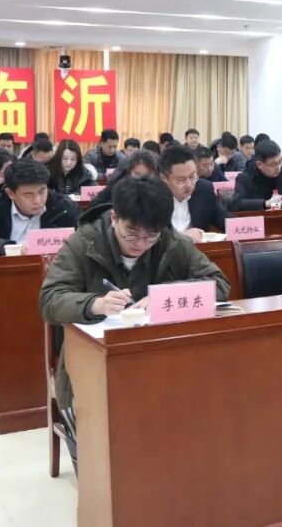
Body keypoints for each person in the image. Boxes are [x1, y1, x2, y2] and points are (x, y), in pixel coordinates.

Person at [39, 175, 231, 469]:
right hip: (93, 361)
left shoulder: (171, 241)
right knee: (102, 450)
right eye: (131, 234)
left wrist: (164, 296)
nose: (141, 244)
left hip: (161, 357)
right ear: (114, 217)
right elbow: (50, 300)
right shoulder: (84, 242)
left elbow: (219, 284)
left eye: (150, 236)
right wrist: (94, 304)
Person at [0, 159, 81, 256]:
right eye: (28, 195)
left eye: (42, 191)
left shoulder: (63, 207)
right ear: (11, 193)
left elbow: (85, 236)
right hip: (7, 272)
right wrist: (7, 247)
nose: (38, 201)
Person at [158, 145, 227, 240]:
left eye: (192, 177)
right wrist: (181, 237)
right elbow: (148, 238)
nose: (189, 184)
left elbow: (226, 221)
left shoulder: (204, 190)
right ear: (164, 178)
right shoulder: (151, 197)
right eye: (181, 180)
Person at [229, 139, 282, 211]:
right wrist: (266, 203)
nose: (278, 168)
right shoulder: (245, 178)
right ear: (259, 164)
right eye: (273, 164)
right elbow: (235, 204)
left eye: (280, 162)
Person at [88, 150, 158, 206]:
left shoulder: (158, 191)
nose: (141, 179)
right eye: (137, 174)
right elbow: (95, 204)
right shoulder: (118, 184)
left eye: (146, 175)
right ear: (129, 171)